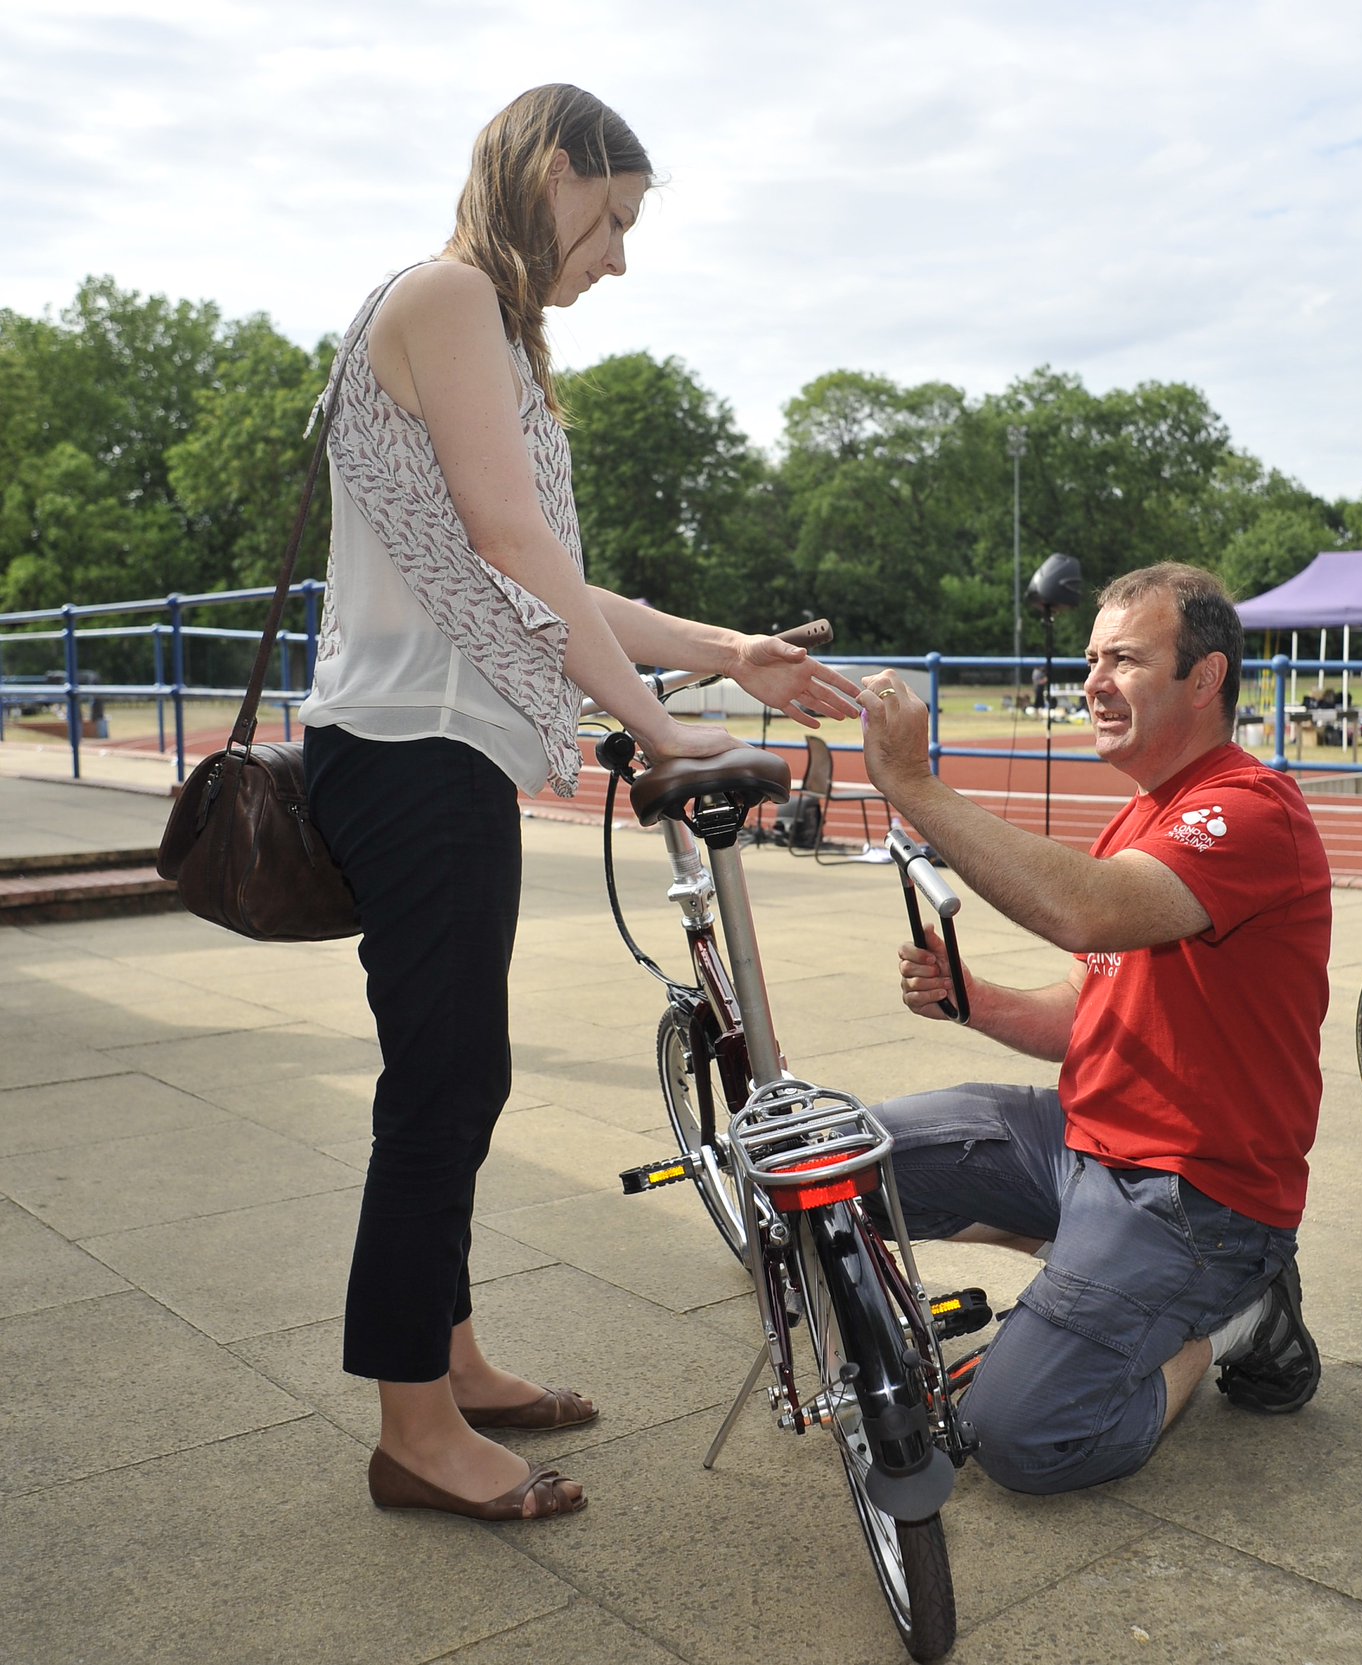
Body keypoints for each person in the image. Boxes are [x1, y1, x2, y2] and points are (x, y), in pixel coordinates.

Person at [300, 85, 860, 1523]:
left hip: (448, 748)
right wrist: (659, 725)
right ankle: (411, 1429)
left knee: (455, 1072)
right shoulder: (444, 297)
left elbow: (552, 571)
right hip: (408, 745)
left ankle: (451, 1355)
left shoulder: (491, 338)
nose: (617, 256)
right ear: (553, 171)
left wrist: (726, 656)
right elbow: (509, 541)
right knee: (444, 1080)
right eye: (611, 218)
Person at [856, 563, 1332, 1495]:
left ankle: (1235, 1315)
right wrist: (973, 996)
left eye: (1124, 659)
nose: (1092, 682)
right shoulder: (1141, 814)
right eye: (1090, 658)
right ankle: (1094, 1272)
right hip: (1086, 1147)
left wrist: (912, 782)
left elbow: (1089, 913)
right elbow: (1090, 1009)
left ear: (1206, 679)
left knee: (1021, 1434)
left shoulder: (1250, 809)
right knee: (845, 1174)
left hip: (1197, 1195)